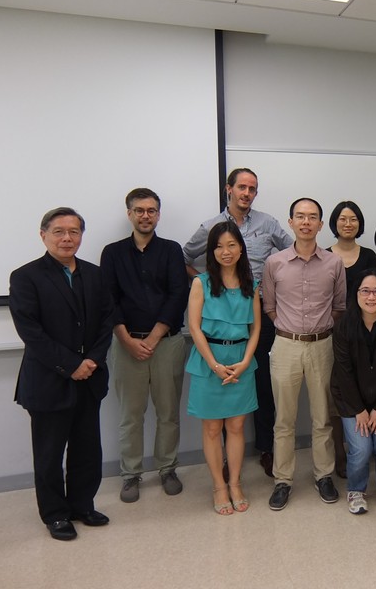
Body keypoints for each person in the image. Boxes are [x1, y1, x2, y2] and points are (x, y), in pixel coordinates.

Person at [9, 207, 114, 541]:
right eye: (59, 231)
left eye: (74, 231)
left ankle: (82, 505)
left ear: (82, 236)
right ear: (43, 235)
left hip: (90, 378)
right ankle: (55, 514)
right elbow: (31, 332)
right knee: (49, 452)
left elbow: (106, 322)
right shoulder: (25, 277)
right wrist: (72, 365)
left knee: (87, 448)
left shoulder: (95, 275)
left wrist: (93, 361)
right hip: (49, 380)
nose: (67, 238)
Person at [183, 168, 292, 479]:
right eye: (241, 187)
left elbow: (293, 251)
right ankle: (226, 461)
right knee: (222, 387)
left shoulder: (268, 223)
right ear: (228, 189)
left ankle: (266, 448)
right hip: (220, 310)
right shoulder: (210, 228)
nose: (247, 193)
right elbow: (184, 256)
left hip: (257, 309)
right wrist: (208, 286)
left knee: (261, 383)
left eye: (252, 188)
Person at [100, 188, 189, 504]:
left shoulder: (170, 250)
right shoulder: (112, 253)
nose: (146, 216)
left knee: (168, 413)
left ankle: (167, 469)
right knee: (130, 415)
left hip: (166, 343)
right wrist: (126, 339)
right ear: (129, 214)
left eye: (151, 210)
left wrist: (151, 339)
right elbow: (108, 298)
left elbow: (178, 295)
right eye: (139, 210)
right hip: (126, 345)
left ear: (158, 214)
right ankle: (131, 475)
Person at [263, 197, 347, 511]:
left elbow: (339, 307)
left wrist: (316, 332)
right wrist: (289, 331)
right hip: (285, 345)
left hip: (323, 345)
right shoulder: (275, 263)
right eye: (300, 216)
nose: (306, 222)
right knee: (283, 419)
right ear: (291, 222)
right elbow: (269, 306)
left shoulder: (334, 262)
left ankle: (323, 475)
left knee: (322, 417)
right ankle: (282, 480)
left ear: (321, 224)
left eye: (312, 217)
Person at [186, 221, 261, 515]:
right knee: (213, 428)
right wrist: (214, 364)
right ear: (211, 251)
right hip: (209, 362)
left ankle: (235, 483)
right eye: (218, 246)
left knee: (237, 426)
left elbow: (255, 328)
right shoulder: (200, 283)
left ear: (241, 248)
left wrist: (244, 362)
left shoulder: (250, 286)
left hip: (242, 359)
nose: (225, 251)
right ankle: (219, 485)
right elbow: (194, 327)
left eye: (231, 245)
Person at [331, 269, 376, 514]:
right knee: (361, 449)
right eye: (365, 291)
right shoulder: (343, 327)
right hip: (351, 400)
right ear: (356, 294)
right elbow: (344, 374)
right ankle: (356, 489)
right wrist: (359, 410)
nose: (371, 297)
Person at [327, 200, 376, 477]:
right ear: (334, 222)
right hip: (333, 335)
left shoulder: (369, 256)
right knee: (336, 395)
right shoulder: (324, 255)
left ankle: (365, 448)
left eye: (354, 219)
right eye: (343, 219)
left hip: (365, 336)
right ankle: (339, 453)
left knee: (364, 389)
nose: (348, 223)